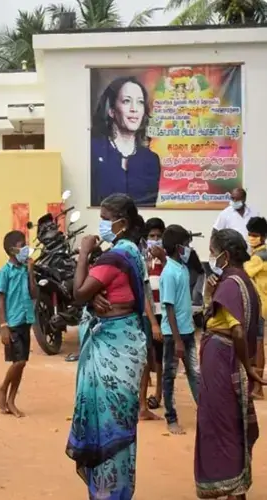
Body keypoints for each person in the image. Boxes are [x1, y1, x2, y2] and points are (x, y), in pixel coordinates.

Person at [67, 193, 154, 499]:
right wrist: (94, 297)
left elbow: (77, 292)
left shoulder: (115, 257)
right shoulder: (131, 253)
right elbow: (102, 293)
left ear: (122, 222)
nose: (101, 223)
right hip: (128, 345)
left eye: (105, 218)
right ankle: (117, 490)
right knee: (120, 424)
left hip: (113, 350)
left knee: (110, 424)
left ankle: (107, 493)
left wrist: (83, 254)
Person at [195, 229, 264, 499]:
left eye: (213, 251)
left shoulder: (230, 284)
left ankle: (232, 487)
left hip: (222, 359)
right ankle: (236, 486)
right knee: (231, 421)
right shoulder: (243, 280)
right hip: (225, 356)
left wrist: (248, 366)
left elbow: (235, 330)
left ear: (224, 254)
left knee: (219, 422)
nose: (211, 256)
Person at [90, 77, 161, 207]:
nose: (134, 109)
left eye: (140, 102)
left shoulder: (151, 160)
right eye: (127, 101)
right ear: (111, 110)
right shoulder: (93, 151)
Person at [158, 224, 199, 435]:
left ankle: (205, 412)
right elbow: (169, 307)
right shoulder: (169, 273)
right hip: (173, 335)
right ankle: (171, 418)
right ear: (177, 246)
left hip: (188, 331)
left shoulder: (181, 267)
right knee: (169, 376)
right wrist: (177, 340)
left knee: (195, 373)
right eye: (186, 244)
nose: (188, 248)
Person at [0, 230, 36, 418]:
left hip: (26, 320)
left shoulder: (24, 269)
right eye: (22, 245)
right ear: (12, 250)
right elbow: (1, 299)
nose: (25, 249)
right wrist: (3, 325)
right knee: (18, 361)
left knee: (22, 363)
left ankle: (11, 400)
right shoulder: (5, 272)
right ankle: (3, 388)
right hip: (12, 322)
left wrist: (30, 272)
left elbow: (34, 293)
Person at [144, 217, 166, 411]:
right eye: (152, 236)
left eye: (159, 236)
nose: (155, 239)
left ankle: (158, 393)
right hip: (146, 312)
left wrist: (164, 258)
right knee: (146, 352)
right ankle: (142, 395)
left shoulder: (168, 257)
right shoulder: (142, 257)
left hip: (163, 312)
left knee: (160, 356)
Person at [245, 215, 267, 399]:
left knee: (258, 344)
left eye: (255, 234)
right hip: (261, 303)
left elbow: (245, 271)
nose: (251, 237)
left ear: (263, 236)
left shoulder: (260, 256)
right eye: (249, 234)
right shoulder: (259, 253)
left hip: (260, 305)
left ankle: (258, 388)